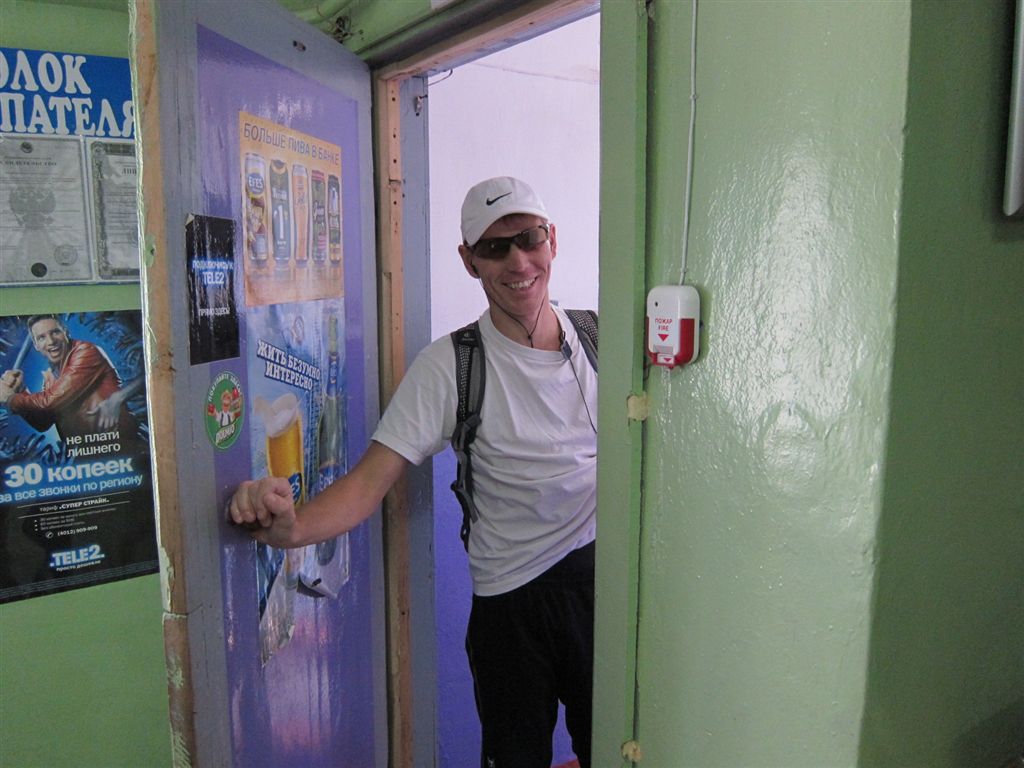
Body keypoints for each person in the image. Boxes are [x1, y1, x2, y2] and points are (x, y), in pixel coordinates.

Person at [227, 177, 597, 767]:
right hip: (511, 604)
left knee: (621, 749)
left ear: (552, 239)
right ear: (469, 261)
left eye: (529, 239)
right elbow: (367, 484)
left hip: (602, 588)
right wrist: (290, 529)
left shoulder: (603, 339)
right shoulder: (451, 366)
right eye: (495, 247)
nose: (518, 261)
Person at [0, 314, 140, 443]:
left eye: (55, 332)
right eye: (41, 337)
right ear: (36, 345)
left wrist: (10, 399)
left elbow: (50, 401)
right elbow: (43, 423)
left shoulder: (85, 351)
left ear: (66, 333)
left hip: (119, 446)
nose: (51, 341)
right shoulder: (50, 378)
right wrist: (21, 390)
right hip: (81, 454)